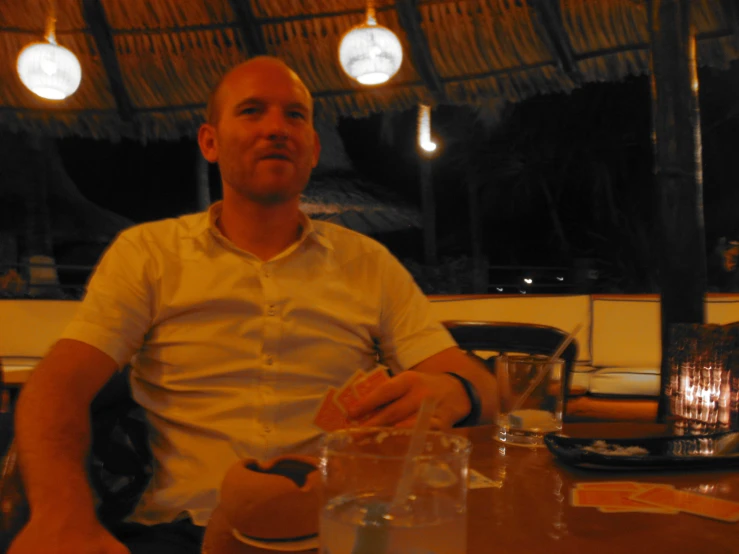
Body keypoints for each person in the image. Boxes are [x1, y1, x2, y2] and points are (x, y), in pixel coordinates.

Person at [8, 56, 497, 554]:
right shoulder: (148, 254)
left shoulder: (367, 262)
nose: (276, 129)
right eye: (251, 111)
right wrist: (62, 513)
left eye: (295, 116)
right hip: (185, 530)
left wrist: (455, 391)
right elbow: (58, 384)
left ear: (313, 148)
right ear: (210, 142)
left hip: (335, 527)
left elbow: (473, 380)